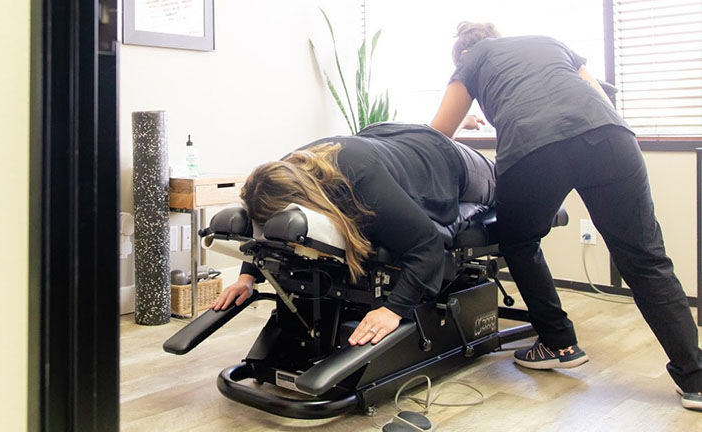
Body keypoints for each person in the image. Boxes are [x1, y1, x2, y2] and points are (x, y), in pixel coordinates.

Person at [430, 21, 702, 410]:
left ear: (463, 54)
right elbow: (595, 95)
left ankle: (558, 343)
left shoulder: (473, 60)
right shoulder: (547, 41)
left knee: (518, 241)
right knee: (645, 258)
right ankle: (696, 379)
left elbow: (438, 133)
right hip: (611, 136)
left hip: (534, 150)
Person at [210, 122, 495, 347]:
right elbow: (268, 226)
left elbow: (427, 245)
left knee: (500, 186)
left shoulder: (363, 183)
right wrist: (247, 278)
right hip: (382, 141)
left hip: (443, 155)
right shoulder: (277, 175)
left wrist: (394, 309)